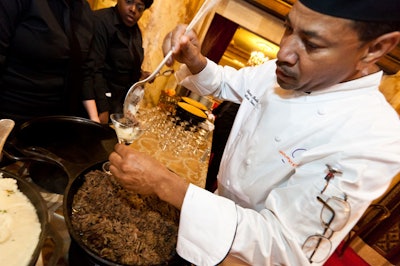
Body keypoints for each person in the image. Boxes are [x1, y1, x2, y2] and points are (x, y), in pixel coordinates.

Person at [108, 0, 400, 265]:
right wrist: (194, 59)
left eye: (312, 44)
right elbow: (225, 83)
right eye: (289, 28)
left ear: (375, 48)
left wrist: (164, 184)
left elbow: (285, 247)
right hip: (213, 210)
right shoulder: (278, 70)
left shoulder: (374, 138)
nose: (283, 52)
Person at [0, 0, 94, 125]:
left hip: (59, 120)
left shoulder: (84, 9)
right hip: (12, 119)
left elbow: (85, 69)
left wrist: (94, 119)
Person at [82, 0, 153, 124]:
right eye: (129, 2)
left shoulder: (136, 31)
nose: (133, 9)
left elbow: (124, 66)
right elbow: (94, 69)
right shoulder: (100, 21)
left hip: (117, 106)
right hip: (96, 104)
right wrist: (103, 109)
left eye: (140, 7)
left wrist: (141, 76)